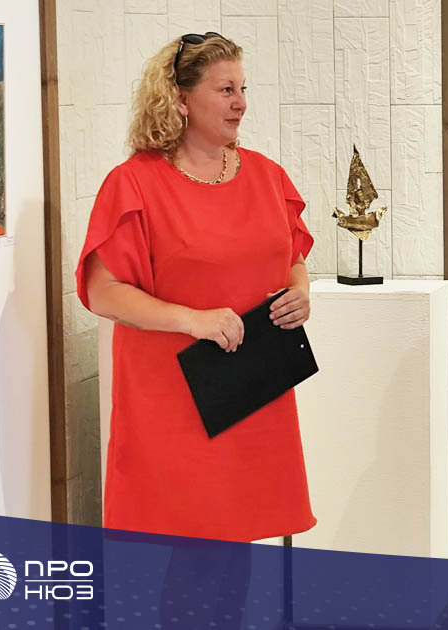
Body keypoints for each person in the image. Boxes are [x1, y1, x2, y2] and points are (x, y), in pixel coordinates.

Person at [75, 32, 317, 543]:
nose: (241, 103)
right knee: (188, 552)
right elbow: (102, 291)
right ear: (181, 100)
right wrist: (194, 320)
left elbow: (291, 255)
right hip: (174, 401)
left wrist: (300, 290)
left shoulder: (267, 176)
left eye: (243, 88)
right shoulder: (134, 183)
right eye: (226, 90)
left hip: (254, 391)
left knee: (238, 545)